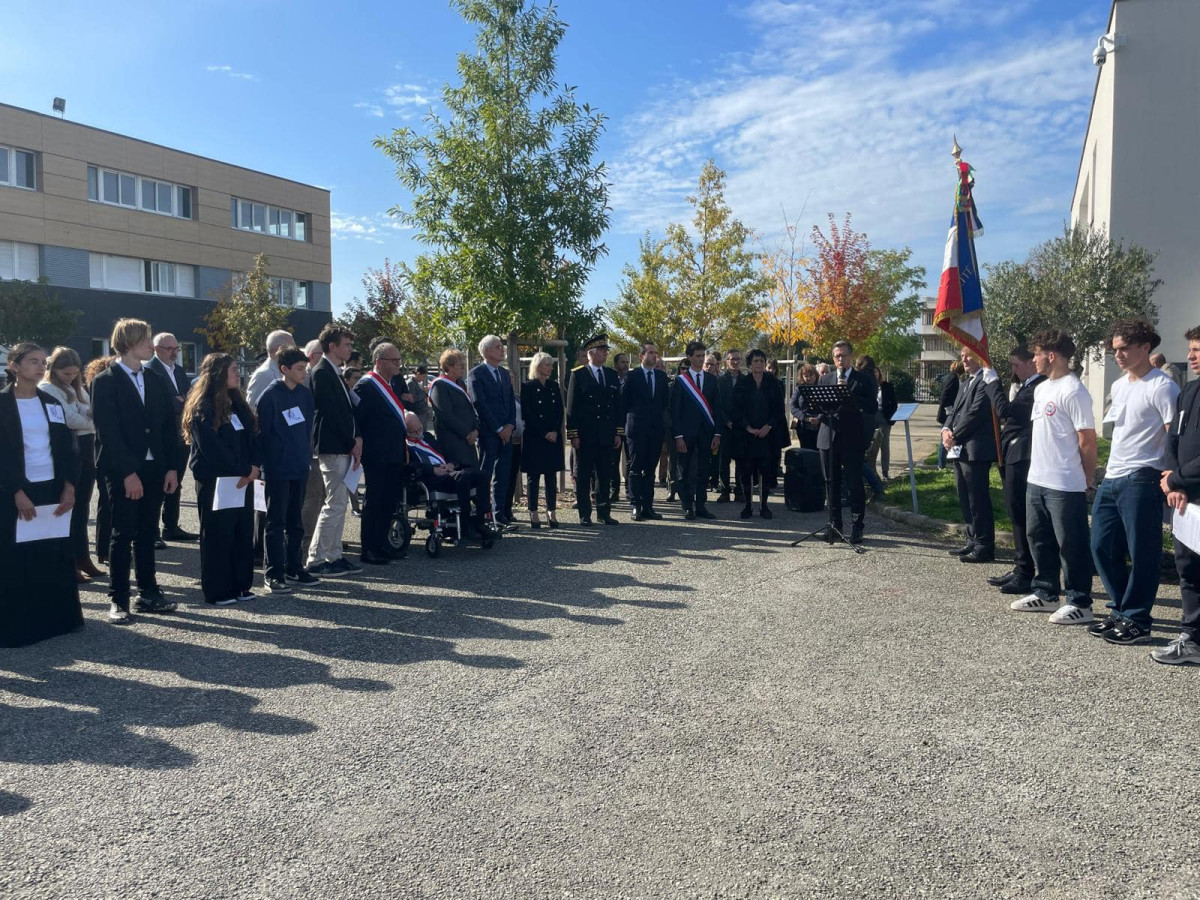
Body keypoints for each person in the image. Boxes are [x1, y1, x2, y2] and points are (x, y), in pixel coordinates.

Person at [1087, 319, 1179, 645]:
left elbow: (1174, 436)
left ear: (1145, 347)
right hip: (1112, 476)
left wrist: (1174, 475)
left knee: (1143, 552)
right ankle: (1120, 608)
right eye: (1115, 350)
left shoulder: (1163, 387)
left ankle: (1138, 618)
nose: (1118, 355)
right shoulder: (1120, 386)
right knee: (1100, 545)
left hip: (1144, 477)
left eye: (1124, 348)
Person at [90, 318, 180, 623]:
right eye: (146, 340)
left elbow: (168, 427)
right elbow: (108, 433)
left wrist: (171, 468)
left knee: (147, 532)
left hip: (156, 468)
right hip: (123, 470)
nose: (150, 345)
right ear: (129, 342)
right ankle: (118, 599)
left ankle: (149, 592)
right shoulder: (105, 381)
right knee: (122, 533)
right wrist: (128, 473)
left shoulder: (154, 379)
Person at [1008, 330, 1098, 625]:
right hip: (1038, 478)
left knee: (1071, 543)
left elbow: (1087, 440)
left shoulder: (1074, 391)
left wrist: (1086, 478)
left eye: (1036, 354)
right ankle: (1046, 593)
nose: (1033, 359)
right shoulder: (1043, 388)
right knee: (1039, 538)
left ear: (1051, 355)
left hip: (1065, 482)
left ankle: (1080, 601)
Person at [0, 343, 83, 647]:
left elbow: (65, 448)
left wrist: (69, 486)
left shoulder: (51, 402)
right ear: (15, 365)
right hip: (15, 489)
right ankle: (20, 625)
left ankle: (58, 620)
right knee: (18, 557)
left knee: (52, 552)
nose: (39, 367)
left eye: (43, 362)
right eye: (32, 361)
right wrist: (17, 491)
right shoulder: (3, 404)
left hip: (51, 485)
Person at [183, 354, 261, 606]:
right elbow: (211, 447)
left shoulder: (237, 403)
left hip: (244, 478)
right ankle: (218, 589)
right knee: (218, 533)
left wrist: (254, 467)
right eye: (233, 369)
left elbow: (252, 438)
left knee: (242, 531)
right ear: (218, 374)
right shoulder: (202, 407)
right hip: (217, 479)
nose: (238, 374)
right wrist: (240, 468)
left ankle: (241, 585)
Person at [983, 344, 1045, 596]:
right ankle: (1021, 567)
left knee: (1020, 515)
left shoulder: (1037, 387)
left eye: (1015, 364)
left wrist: (993, 385)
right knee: (1015, 513)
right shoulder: (1029, 385)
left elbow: (1006, 412)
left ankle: (1026, 571)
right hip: (1014, 455)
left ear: (1031, 362)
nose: (1013, 369)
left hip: (1023, 457)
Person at [1154, 325, 1200, 665]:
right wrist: (1172, 480)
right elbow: (1173, 438)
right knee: (1187, 567)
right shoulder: (1189, 392)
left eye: (1198, 349)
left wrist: (1179, 479)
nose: (1190, 356)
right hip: (1185, 497)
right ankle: (1192, 637)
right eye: (1191, 349)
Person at [256, 347, 319, 594]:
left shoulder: (305, 395)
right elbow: (262, 435)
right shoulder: (270, 397)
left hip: (299, 466)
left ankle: (295, 567)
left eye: (306, 368)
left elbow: (306, 429)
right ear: (285, 370)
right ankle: (273, 572)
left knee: (296, 521)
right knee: (275, 521)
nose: (305, 373)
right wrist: (262, 466)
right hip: (277, 469)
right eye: (300, 369)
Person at [42, 347, 104, 583]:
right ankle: (69, 561)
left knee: (82, 507)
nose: (70, 378)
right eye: (65, 373)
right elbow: (70, 420)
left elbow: (90, 414)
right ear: (54, 370)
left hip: (87, 452)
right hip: (69, 453)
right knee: (67, 508)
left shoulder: (77, 389)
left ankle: (82, 557)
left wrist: (87, 419)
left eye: (74, 373)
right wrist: (90, 420)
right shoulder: (48, 389)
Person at [305, 324, 363, 578]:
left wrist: (356, 437)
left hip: (344, 445)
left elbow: (347, 411)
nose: (350, 349)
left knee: (338, 503)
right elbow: (329, 413)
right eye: (346, 344)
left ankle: (334, 555)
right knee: (334, 503)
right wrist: (350, 441)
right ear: (332, 346)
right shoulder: (322, 372)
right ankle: (316, 559)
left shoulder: (335, 371)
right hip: (333, 447)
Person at [941, 346, 999, 564]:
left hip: (976, 449)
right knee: (964, 496)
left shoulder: (986, 381)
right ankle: (972, 539)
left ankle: (985, 545)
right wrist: (945, 430)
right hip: (959, 448)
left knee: (978, 498)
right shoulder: (965, 382)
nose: (964, 359)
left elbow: (976, 413)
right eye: (962, 356)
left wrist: (954, 434)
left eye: (968, 355)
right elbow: (954, 412)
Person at [353, 343, 409, 565]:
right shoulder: (365, 386)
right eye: (393, 360)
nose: (398, 364)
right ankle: (369, 548)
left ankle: (382, 543)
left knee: (389, 500)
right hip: (376, 453)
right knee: (375, 500)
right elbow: (359, 419)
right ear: (379, 361)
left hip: (394, 451)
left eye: (398, 360)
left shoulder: (391, 383)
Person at [817, 340, 876, 543]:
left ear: (851, 356)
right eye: (836, 356)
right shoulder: (825, 379)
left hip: (852, 438)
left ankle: (857, 527)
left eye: (843, 355)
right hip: (829, 437)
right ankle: (835, 526)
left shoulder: (864, 380)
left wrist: (850, 396)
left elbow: (871, 407)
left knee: (854, 483)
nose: (840, 359)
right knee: (830, 483)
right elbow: (817, 407)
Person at [566, 333, 623, 526]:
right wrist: (573, 434)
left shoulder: (611, 374)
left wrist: (618, 432)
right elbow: (572, 408)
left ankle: (604, 512)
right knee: (583, 475)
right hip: (586, 434)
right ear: (591, 353)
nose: (605, 354)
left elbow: (617, 406)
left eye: (606, 351)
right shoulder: (578, 374)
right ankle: (584, 513)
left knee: (604, 474)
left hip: (606, 433)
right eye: (602, 351)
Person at [404, 411, 492, 535]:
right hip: (432, 477)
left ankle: (481, 518)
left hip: (448, 471)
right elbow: (411, 466)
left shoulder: (427, 437)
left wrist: (451, 464)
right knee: (463, 477)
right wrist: (433, 470)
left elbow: (445, 453)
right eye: (415, 431)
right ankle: (466, 521)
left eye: (420, 429)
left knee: (483, 475)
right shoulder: (406, 445)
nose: (419, 433)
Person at [147, 332, 197, 544]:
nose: (174, 353)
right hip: (161, 436)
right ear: (156, 349)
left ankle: (171, 525)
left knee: (176, 481)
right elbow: (160, 403)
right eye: (170, 349)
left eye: (176, 349)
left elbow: (189, 398)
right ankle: (152, 531)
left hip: (181, 435)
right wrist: (177, 401)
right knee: (159, 482)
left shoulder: (178, 371)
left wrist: (180, 401)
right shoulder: (150, 370)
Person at [468, 335, 519, 529]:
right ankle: (484, 514)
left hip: (506, 433)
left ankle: (500, 515)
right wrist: (498, 428)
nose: (502, 350)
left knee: (503, 474)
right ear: (486, 351)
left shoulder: (504, 374)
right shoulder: (476, 374)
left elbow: (510, 403)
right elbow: (480, 404)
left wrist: (510, 425)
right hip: (489, 433)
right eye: (498, 347)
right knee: (486, 473)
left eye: (502, 346)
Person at [730, 349, 788, 518]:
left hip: (767, 435)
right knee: (746, 470)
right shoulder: (742, 383)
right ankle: (748, 505)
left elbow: (779, 409)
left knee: (766, 470)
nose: (759, 364)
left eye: (762, 361)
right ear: (749, 364)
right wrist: (747, 427)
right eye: (756, 361)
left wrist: (768, 426)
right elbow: (736, 409)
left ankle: (764, 505)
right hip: (746, 435)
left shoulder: (773, 383)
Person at [671, 340, 722, 520]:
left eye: (703, 356)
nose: (701, 359)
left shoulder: (711, 379)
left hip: (706, 433)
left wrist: (717, 433)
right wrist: (678, 436)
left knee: (703, 470)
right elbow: (675, 411)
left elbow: (717, 408)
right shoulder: (681, 381)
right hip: (686, 433)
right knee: (684, 471)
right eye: (698, 356)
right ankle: (687, 506)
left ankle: (701, 505)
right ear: (690, 357)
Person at [622, 342, 669, 522]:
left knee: (650, 469)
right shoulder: (632, 376)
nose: (654, 356)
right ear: (641, 356)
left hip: (655, 429)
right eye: (650, 353)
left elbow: (664, 403)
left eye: (655, 353)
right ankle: (635, 505)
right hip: (636, 429)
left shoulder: (661, 376)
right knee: (635, 468)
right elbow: (624, 402)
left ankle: (648, 506)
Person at [520, 352, 565, 528]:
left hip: (553, 437)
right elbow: (528, 413)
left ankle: (551, 511)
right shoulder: (528, 387)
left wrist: (554, 430)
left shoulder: (554, 386)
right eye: (547, 364)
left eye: (551, 364)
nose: (550, 368)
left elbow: (559, 411)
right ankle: (533, 511)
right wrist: (544, 432)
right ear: (538, 366)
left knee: (551, 475)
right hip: (535, 437)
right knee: (534, 476)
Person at [85, 356, 115, 565]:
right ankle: (103, 548)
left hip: (103, 450)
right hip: (101, 453)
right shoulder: (95, 391)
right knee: (106, 501)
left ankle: (107, 547)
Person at [715, 349, 743, 503]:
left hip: (740, 427)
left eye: (738, 359)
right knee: (723, 461)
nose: (735, 362)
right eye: (732, 359)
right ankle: (724, 490)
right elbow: (717, 405)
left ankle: (739, 491)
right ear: (727, 361)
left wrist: (739, 423)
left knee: (740, 460)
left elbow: (747, 406)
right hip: (724, 427)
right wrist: (727, 421)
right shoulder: (720, 381)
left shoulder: (746, 380)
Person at [246, 329, 296, 409]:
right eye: (292, 347)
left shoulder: (285, 370)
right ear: (279, 349)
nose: (295, 351)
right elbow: (253, 408)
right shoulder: (263, 375)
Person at [936, 361, 965, 469]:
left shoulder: (950, 377)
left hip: (950, 412)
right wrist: (949, 410)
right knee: (945, 437)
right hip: (948, 413)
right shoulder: (953, 378)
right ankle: (941, 464)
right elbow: (945, 396)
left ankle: (946, 461)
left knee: (949, 437)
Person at [873, 371, 899, 480]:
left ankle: (885, 472)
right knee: (872, 447)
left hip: (884, 417)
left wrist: (891, 417)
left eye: (876, 372)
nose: (874, 374)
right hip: (871, 416)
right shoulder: (867, 384)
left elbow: (894, 403)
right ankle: (872, 472)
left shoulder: (887, 386)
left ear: (879, 373)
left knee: (884, 445)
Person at [790, 363, 820, 451]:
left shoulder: (821, 387)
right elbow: (793, 406)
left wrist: (818, 418)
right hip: (804, 427)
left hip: (819, 426)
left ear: (815, 375)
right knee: (806, 452)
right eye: (805, 376)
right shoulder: (799, 389)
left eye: (811, 375)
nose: (808, 378)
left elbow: (826, 407)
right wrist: (805, 418)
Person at [407, 364, 433, 430]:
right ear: (418, 374)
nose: (423, 379)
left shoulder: (416, 383)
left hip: (422, 412)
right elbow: (413, 398)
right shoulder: (410, 383)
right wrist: (424, 392)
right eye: (423, 377)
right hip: (417, 412)